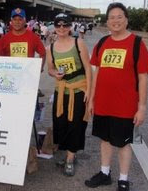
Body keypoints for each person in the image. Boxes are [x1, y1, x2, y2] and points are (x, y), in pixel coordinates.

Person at [84, 2, 148, 191]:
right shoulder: (102, 43)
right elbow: (97, 72)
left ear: (126, 20)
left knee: (123, 144)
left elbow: (143, 78)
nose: (115, 21)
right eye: (112, 17)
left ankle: (123, 179)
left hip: (126, 106)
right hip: (103, 104)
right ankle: (105, 173)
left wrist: (142, 107)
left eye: (119, 17)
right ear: (107, 22)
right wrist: (91, 99)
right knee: (105, 140)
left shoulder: (137, 43)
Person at [46, 13, 91, 176]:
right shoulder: (51, 48)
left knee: (76, 125)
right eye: (58, 25)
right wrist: (53, 74)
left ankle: (71, 158)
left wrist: (90, 93)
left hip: (79, 90)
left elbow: (88, 68)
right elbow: (50, 68)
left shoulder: (78, 43)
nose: (62, 28)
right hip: (61, 90)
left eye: (65, 25)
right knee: (61, 124)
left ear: (70, 26)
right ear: (55, 27)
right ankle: (68, 154)